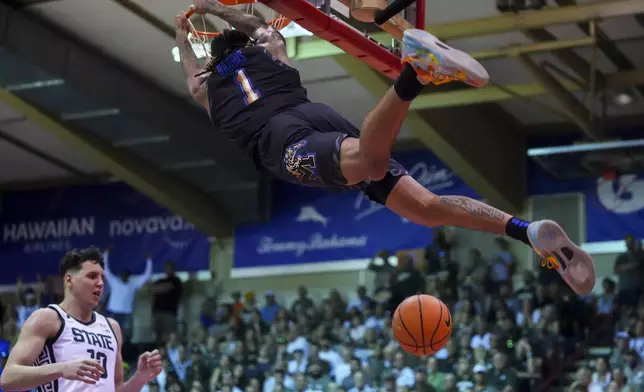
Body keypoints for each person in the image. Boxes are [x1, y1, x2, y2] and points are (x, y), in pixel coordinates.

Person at [174, 0, 596, 295]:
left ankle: (416, 73)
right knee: (424, 208)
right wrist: (212, 7)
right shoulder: (269, 49)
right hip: (315, 116)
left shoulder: (206, 86)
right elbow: (262, 27)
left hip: (278, 140)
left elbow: (191, 71)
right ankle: (526, 233)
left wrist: (181, 31)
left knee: (371, 165)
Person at [0, 247, 163, 392]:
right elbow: (8, 379)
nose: (100, 283)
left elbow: (117, 389)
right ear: (69, 280)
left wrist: (141, 377)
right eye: (92, 276)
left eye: (101, 278)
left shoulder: (112, 327)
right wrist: (62, 369)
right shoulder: (48, 318)